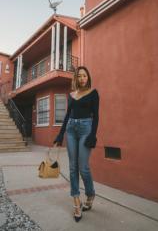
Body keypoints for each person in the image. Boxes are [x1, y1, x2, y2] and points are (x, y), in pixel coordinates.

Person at [54, 66, 99, 222]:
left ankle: (90, 193)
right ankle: (76, 201)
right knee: (73, 167)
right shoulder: (72, 95)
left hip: (86, 128)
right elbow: (67, 115)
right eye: (79, 76)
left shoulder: (93, 93)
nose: (82, 78)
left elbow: (97, 116)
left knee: (83, 167)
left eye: (84, 76)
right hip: (71, 129)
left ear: (88, 77)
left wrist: (93, 135)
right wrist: (60, 134)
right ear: (76, 78)